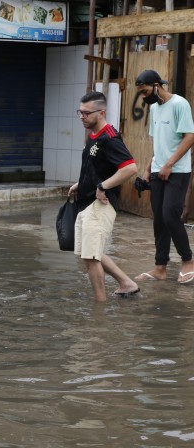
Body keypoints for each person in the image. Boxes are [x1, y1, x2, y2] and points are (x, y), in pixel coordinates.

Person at [67, 91, 140, 302]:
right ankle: (127, 283)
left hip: (101, 203)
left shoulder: (110, 138)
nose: (82, 117)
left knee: (91, 257)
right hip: (87, 201)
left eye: (87, 113)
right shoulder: (93, 136)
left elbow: (130, 168)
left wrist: (103, 186)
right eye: (80, 112)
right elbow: (98, 167)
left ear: (101, 112)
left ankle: (99, 308)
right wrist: (81, 184)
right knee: (89, 253)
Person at [133, 70, 194, 284]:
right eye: (141, 93)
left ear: (157, 86)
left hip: (177, 171)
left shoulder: (179, 104)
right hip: (158, 170)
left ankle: (188, 261)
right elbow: (158, 143)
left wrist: (169, 164)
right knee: (159, 218)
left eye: (145, 91)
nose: (143, 96)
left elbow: (190, 136)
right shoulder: (154, 108)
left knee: (170, 215)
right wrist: (148, 170)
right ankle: (160, 267)